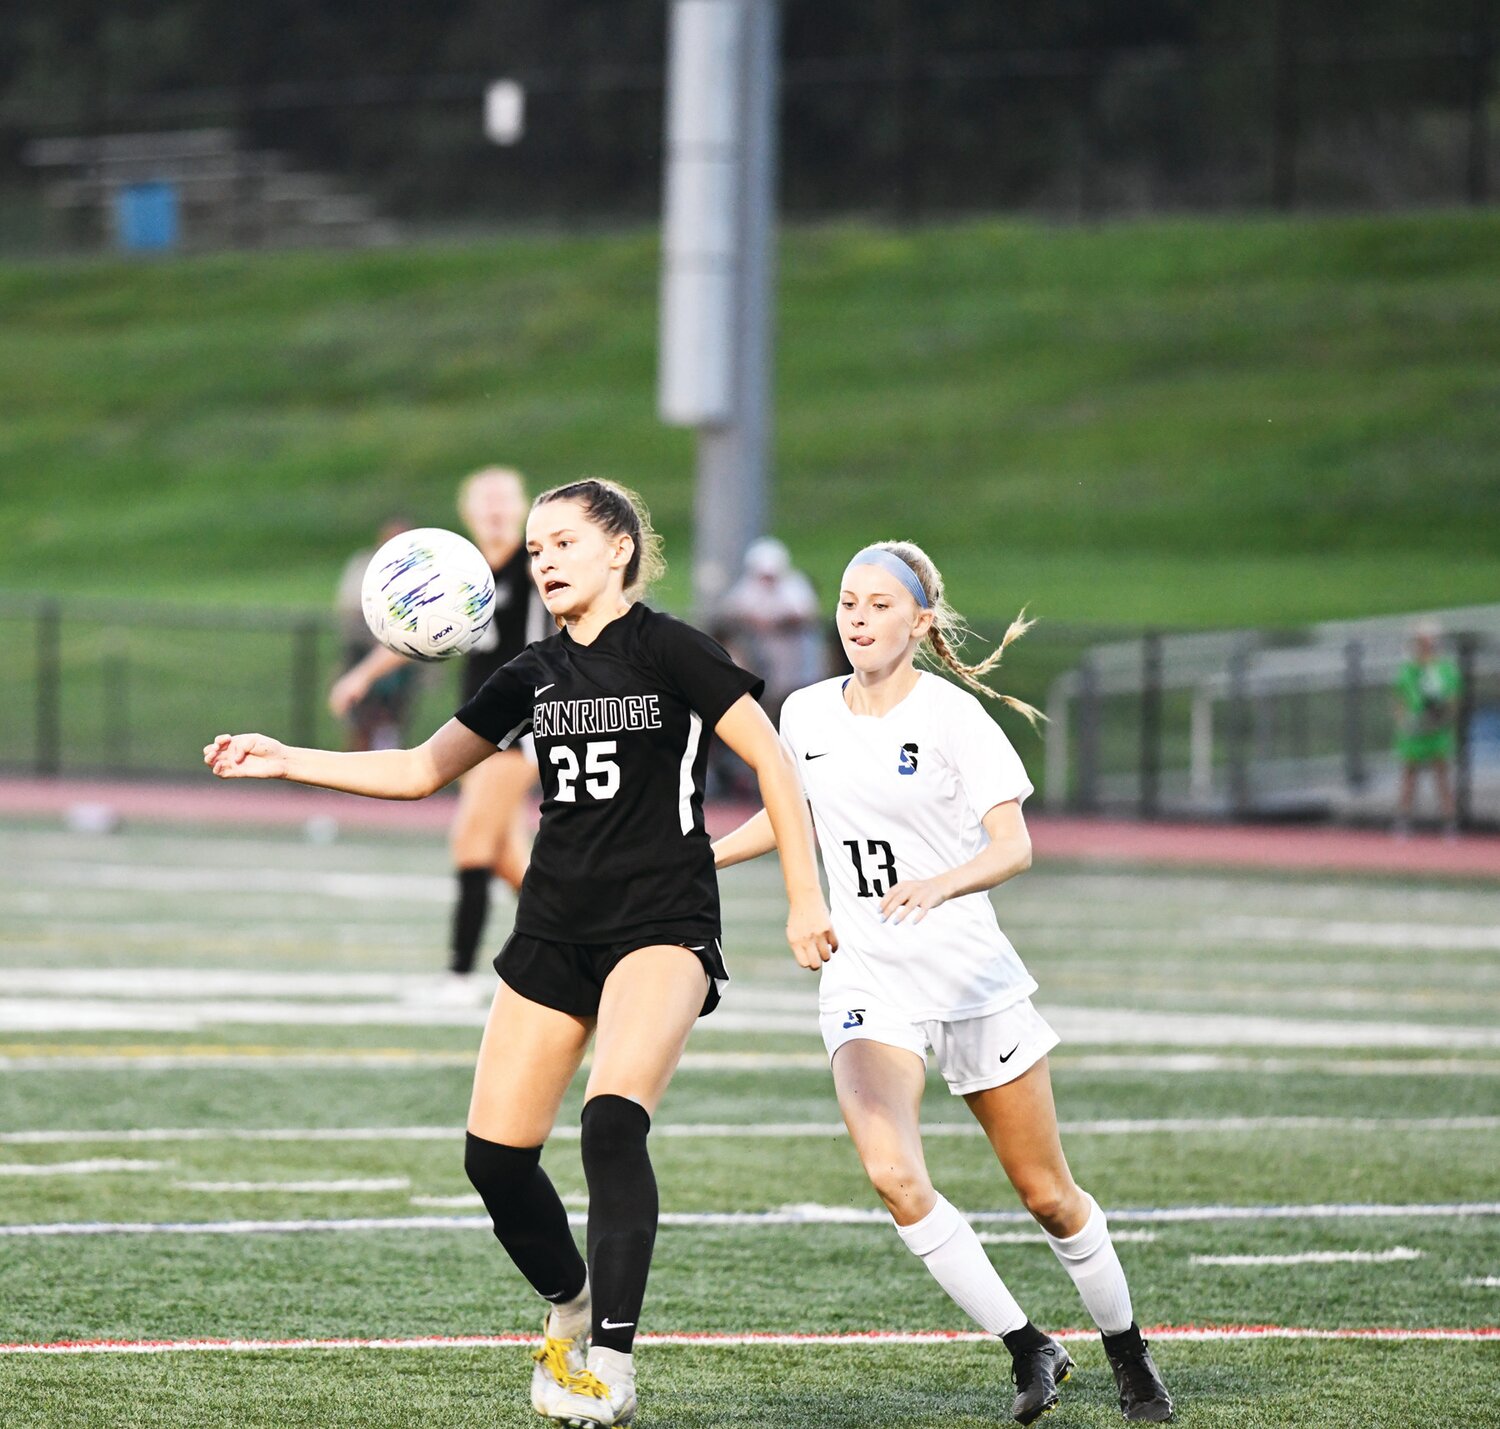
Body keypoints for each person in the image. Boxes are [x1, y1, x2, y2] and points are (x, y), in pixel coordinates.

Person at [207, 478, 834, 1428]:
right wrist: (287, 756)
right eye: (536, 547)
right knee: (495, 1162)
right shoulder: (531, 672)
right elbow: (421, 769)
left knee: (612, 1122)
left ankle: (612, 1364)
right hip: (551, 928)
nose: (542, 561)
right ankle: (572, 1305)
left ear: (619, 549)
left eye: (564, 542)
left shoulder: (672, 649)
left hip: (660, 921)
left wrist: (803, 899)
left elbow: (774, 762)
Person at [712, 540, 1174, 1425]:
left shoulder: (954, 718)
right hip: (864, 979)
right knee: (892, 1173)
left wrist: (940, 880)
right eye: (847, 601)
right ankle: (1029, 1345)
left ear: (920, 620)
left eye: (879, 604)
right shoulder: (805, 713)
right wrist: (697, 857)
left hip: (968, 976)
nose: (857, 617)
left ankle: (1128, 1351)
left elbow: (1014, 846)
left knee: (1047, 1193)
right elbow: (788, 819)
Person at [330, 469, 548, 995]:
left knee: (470, 841)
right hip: (478, 725)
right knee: (506, 858)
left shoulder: (538, 566)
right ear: (467, 510)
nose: (495, 508)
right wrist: (361, 675)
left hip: (525, 725)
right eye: (485, 500)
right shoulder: (460, 571)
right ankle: (586, 930)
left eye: (504, 499)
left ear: (520, 507)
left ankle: (459, 975)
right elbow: (412, 628)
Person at [332, 515, 420, 751]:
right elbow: (350, 607)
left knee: (391, 718)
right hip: (364, 648)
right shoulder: (366, 565)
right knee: (359, 717)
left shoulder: (422, 570)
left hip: (400, 654)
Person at [1393, 621, 1461, 837]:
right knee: (1409, 775)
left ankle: (1449, 822)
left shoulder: (1444, 669)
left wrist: (1440, 719)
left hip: (1437, 731)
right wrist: (1405, 724)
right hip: (1414, 732)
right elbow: (1400, 699)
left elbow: (1452, 699)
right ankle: (1403, 821)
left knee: (1442, 775)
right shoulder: (1408, 669)